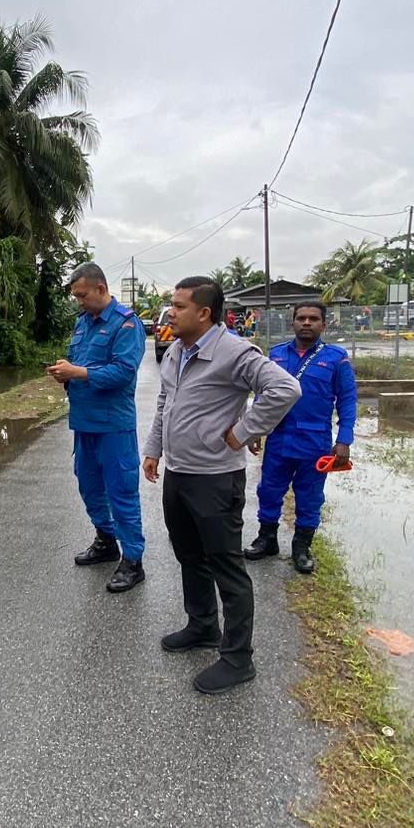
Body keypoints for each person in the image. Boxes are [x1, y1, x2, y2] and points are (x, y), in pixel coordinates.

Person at [143, 276, 301, 694]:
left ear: (204, 313)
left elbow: (285, 388)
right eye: (172, 305)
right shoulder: (175, 351)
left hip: (215, 478)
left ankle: (237, 658)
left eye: (179, 306)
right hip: (179, 474)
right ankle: (202, 626)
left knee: (226, 567)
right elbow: (165, 404)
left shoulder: (233, 352)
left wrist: (245, 430)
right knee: (189, 556)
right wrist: (154, 448)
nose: (170, 313)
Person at [46, 263, 147, 593]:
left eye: (82, 295)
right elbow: (80, 364)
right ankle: (106, 541)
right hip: (85, 423)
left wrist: (77, 373)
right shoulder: (83, 322)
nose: (79, 301)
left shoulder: (126, 324)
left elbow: (123, 372)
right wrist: (65, 374)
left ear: (101, 289)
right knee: (89, 486)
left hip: (113, 426)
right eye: (76, 296)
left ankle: (133, 560)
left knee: (122, 492)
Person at [245, 300, 357, 574]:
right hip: (279, 437)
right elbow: (263, 393)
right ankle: (267, 539)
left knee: (310, 496)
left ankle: (302, 547)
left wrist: (344, 440)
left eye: (313, 319)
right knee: (269, 490)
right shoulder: (277, 355)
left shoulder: (336, 358)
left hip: (314, 441)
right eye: (301, 318)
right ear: (292, 322)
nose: (307, 323)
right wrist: (255, 428)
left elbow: (347, 400)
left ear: (323, 325)